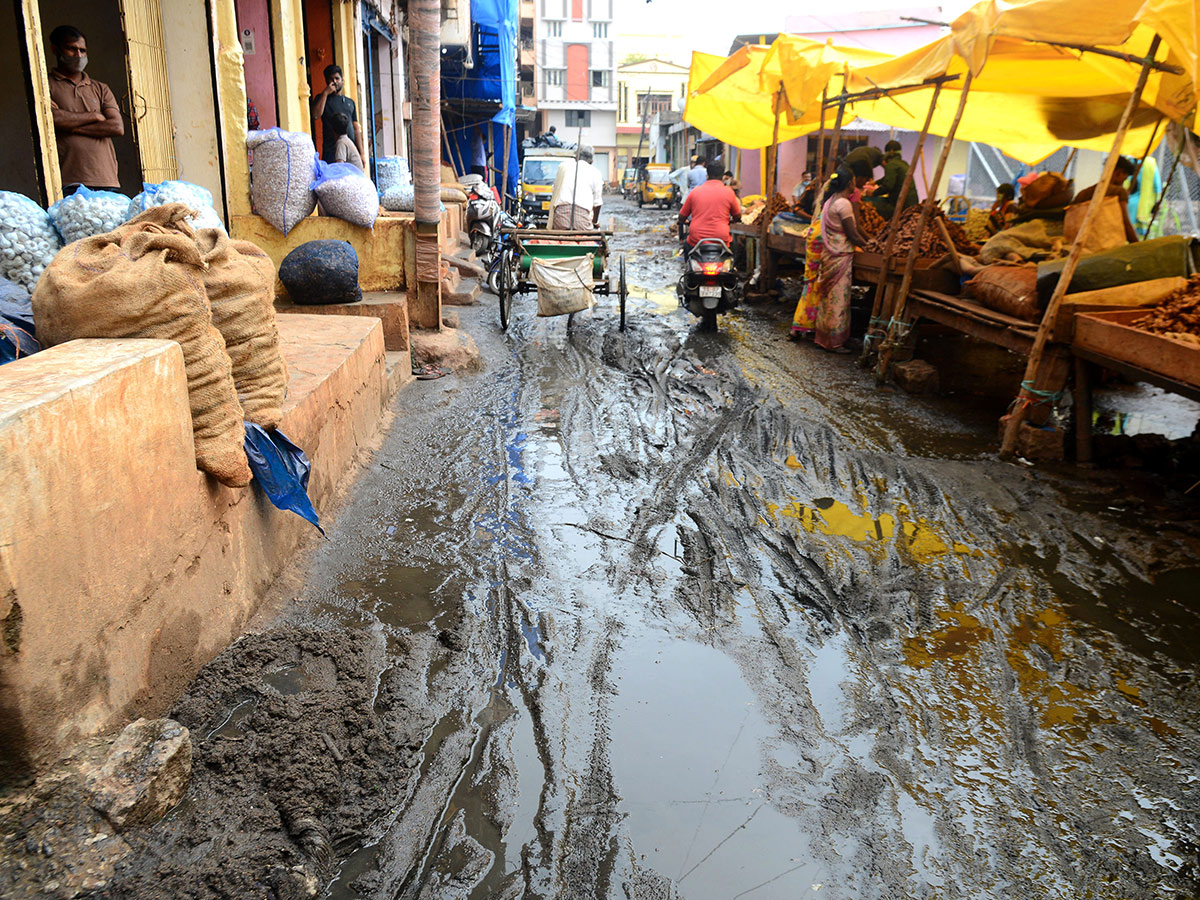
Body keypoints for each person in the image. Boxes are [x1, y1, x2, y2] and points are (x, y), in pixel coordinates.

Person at [47, 25, 124, 193]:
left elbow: (116, 127)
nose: (78, 55)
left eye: (83, 51)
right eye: (72, 49)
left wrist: (71, 126)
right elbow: (53, 119)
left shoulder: (100, 88)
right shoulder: (46, 86)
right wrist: (95, 116)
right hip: (70, 180)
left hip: (106, 177)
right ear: (55, 50)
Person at [814, 167, 868, 353]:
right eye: (853, 181)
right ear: (849, 183)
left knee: (827, 299)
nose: (855, 185)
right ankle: (835, 342)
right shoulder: (843, 204)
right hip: (840, 255)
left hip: (829, 256)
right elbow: (853, 234)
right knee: (839, 299)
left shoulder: (830, 201)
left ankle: (823, 337)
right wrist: (870, 247)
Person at [1073, 156, 1139, 243]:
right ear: (1117, 173)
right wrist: (1138, 246)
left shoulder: (1083, 193)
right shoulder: (1118, 192)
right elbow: (1125, 224)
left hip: (1080, 243)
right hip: (1104, 246)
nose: (1123, 183)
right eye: (1124, 178)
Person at [677, 160, 741, 249]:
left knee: (686, 247)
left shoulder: (695, 192)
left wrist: (683, 221)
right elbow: (737, 216)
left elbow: (682, 216)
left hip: (696, 239)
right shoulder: (729, 192)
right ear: (723, 177)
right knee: (734, 250)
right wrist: (731, 221)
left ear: (707, 175)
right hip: (721, 238)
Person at [311, 65, 364, 164]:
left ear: (342, 80)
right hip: (331, 150)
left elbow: (356, 128)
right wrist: (326, 93)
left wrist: (362, 153)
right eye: (331, 79)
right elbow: (316, 115)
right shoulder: (322, 98)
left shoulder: (350, 102)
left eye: (337, 78)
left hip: (350, 149)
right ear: (326, 81)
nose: (335, 82)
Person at [549, 144, 604, 228]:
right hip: (582, 219)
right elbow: (597, 203)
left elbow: (554, 190)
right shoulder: (596, 173)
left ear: (576, 158)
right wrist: (595, 222)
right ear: (592, 161)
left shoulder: (563, 168)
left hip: (560, 218)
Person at [867, 140, 915, 220]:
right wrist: (875, 182)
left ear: (891, 151)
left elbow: (887, 186)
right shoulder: (904, 164)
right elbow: (889, 178)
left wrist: (873, 193)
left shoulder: (891, 165)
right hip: (912, 204)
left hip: (900, 206)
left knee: (871, 205)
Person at [1129, 154, 1161, 238]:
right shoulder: (1151, 163)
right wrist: (1157, 203)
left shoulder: (1129, 162)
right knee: (1140, 234)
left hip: (1128, 202)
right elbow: (1157, 186)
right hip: (1144, 205)